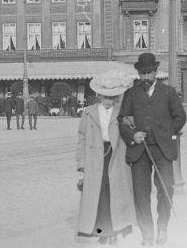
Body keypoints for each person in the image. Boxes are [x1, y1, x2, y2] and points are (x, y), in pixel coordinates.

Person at [119, 52, 186, 246]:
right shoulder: (131, 94)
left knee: (166, 190)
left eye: (149, 73)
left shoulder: (169, 92)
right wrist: (132, 135)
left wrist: (166, 133)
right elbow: (122, 120)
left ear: (156, 72)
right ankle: (147, 232)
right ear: (138, 74)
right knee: (141, 194)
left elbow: (180, 117)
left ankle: (163, 227)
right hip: (139, 152)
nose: (146, 77)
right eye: (142, 74)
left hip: (163, 150)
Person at [76, 63, 138, 244]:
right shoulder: (89, 113)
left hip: (116, 157)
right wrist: (81, 163)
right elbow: (81, 138)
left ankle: (115, 231)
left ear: (117, 96)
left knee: (115, 193)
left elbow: (130, 132)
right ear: (99, 95)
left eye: (112, 97)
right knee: (99, 195)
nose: (107, 101)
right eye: (104, 97)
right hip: (96, 158)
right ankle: (103, 232)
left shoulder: (123, 113)